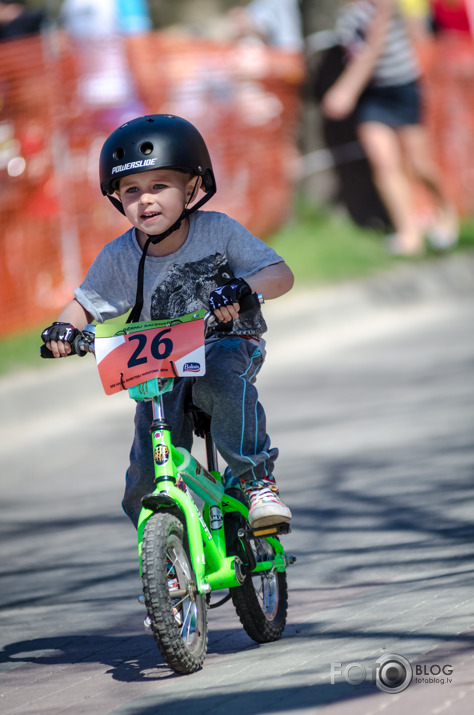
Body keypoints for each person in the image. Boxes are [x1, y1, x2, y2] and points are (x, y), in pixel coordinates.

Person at [41, 113, 294, 531]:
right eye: (132, 190)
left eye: (159, 186)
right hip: (163, 363)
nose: (146, 200)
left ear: (192, 187)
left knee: (221, 380)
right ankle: (166, 547)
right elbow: (82, 305)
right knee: (145, 471)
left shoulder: (218, 231)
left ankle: (256, 482)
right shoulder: (120, 255)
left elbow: (280, 275)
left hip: (225, 343)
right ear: (116, 197)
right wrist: (64, 329)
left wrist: (243, 288)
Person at [322, 0, 458, 255]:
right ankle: (410, 234)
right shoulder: (344, 10)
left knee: (419, 164)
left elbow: (375, 43)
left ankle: (446, 211)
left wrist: (346, 89)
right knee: (384, 162)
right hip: (371, 94)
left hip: (402, 88)